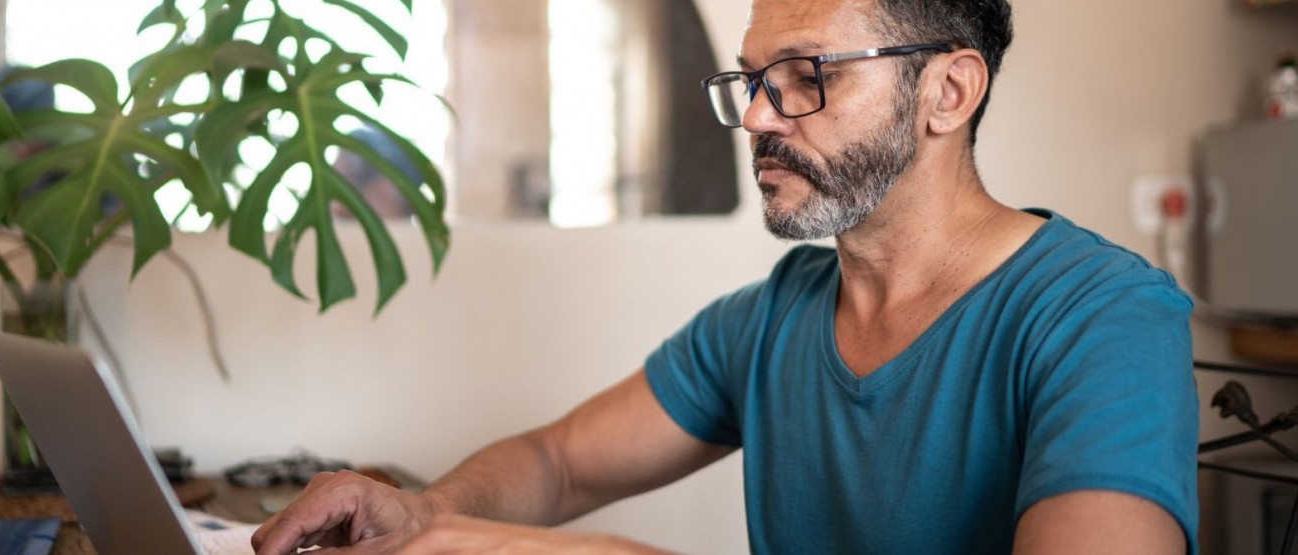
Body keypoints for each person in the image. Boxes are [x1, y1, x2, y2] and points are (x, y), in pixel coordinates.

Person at [252, 0, 1198, 553]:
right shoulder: (770, 321)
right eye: (751, 79)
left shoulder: (1104, 320)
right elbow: (559, 462)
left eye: (803, 74)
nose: (757, 119)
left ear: (948, 92)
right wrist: (423, 510)